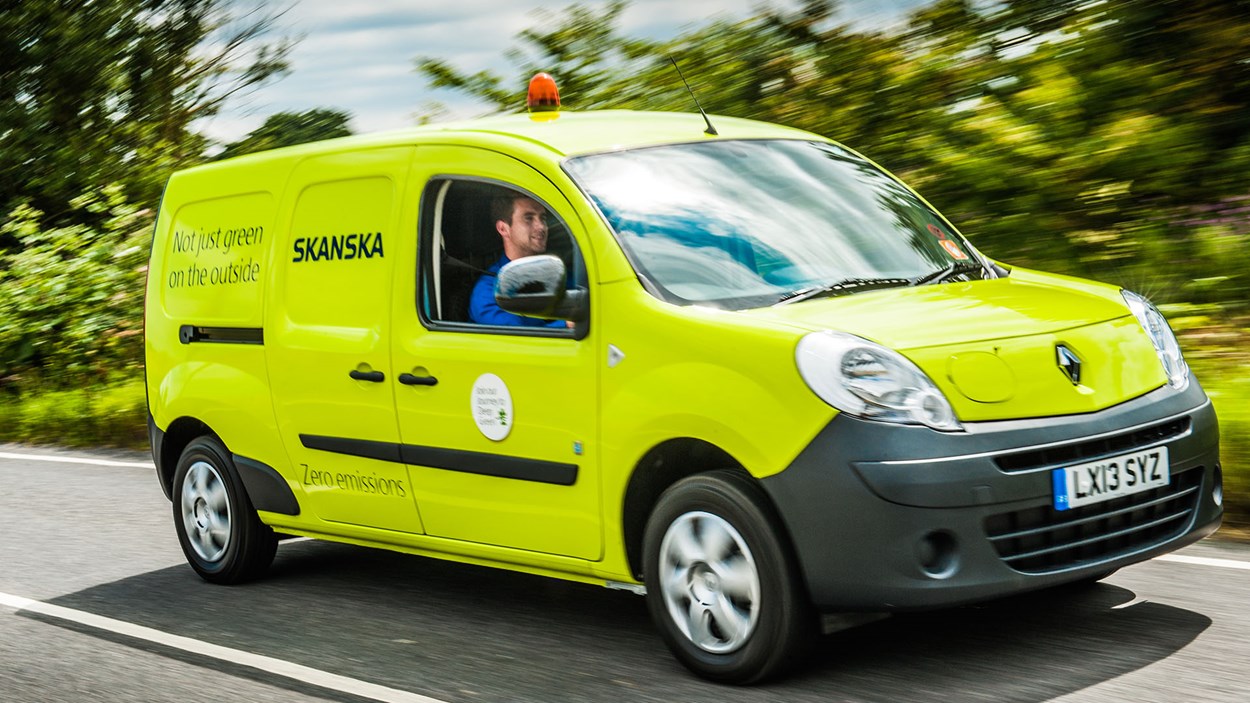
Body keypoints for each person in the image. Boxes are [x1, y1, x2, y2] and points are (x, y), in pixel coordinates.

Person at [468, 194, 569, 328]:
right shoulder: (487, 292)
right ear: (503, 229)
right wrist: (568, 325)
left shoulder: (554, 273)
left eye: (543, 218)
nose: (541, 227)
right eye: (529, 218)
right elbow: (521, 339)